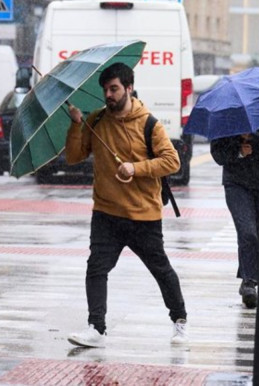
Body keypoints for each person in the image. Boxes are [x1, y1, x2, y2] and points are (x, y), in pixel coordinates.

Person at [65, 62, 188, 347]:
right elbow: (73, 157)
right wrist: (75, 125)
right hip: (106, 213)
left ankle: (179, 320)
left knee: (161, 269)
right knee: (96, 268)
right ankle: (96, 327)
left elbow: (172, 161)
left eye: (114, 89)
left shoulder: (149, 124)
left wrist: (136, 168)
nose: (108, 95)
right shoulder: (95, 121)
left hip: (142, 215)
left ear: (129, 88)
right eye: (105, 90)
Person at [210, 119, 259, 308]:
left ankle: (249, 278)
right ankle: (249, 282)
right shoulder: (228, 118)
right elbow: (218, 154)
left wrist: (254, 136)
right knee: (247, 232)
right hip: (237, 185)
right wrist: (238, 148)